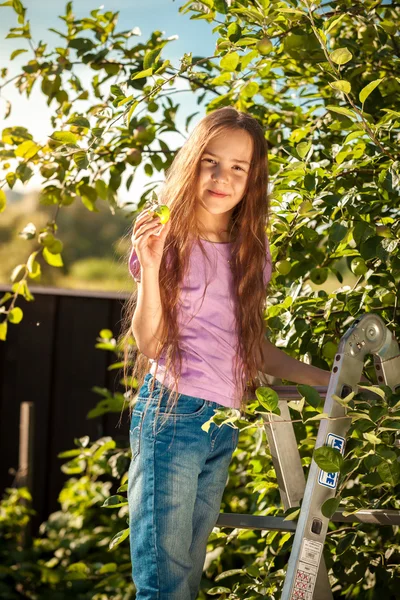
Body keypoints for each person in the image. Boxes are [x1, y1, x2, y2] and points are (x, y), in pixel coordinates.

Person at [123, 106, 331, 600]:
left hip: (223, 423)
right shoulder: (166, 243)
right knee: (164, 585)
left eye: (238, 167)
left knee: (187, 580)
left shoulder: (251, 254)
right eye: (210, 161)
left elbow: (253, 350)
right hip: (172, 418)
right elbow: (151, 345)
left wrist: (332, 380)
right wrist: (151, 269)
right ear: (191, 162)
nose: (222, 177)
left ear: (252, 179)